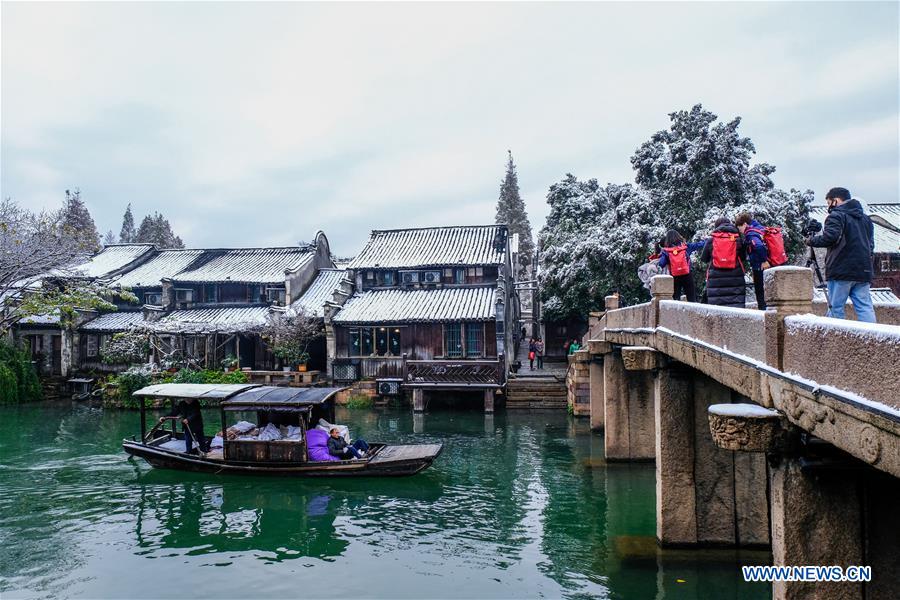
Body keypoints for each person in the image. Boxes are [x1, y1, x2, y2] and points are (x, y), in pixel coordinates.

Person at [807, 187, 876, 323]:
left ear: (836, 200)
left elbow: (830, 238)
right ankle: (873, 337)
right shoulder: (866, 219)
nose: (828, 207)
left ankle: (835, 339)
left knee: (836, 307)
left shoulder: (836, 216)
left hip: (841, 270)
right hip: (864, 270)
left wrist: (810, 240)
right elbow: (871, 246)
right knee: (865, 307)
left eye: (829, 203)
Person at [700, 217, 746, 308]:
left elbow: (704, 258)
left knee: (717, 310)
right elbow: (743, 257)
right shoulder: (738, 239)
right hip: (735, 278)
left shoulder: (712, 240)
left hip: (715, 280)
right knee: (737, 309)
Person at [734, 212, 770, 310]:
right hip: (771, 264)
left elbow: (758, 246)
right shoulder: (759, 228)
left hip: (759, 265)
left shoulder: (750, 234)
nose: (740, 230)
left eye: (739, 227)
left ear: (745, 224)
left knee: (759, 290)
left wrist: (763, 260)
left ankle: (763, 311)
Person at [657, 229, 705, 302]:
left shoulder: (666, 251)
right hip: (687, 274)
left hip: (674, 277)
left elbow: (661, 263)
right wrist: (708, 240)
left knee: (675, 299)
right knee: (691, 298)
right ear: (678, 237)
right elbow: (699, 245)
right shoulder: (686, 247)